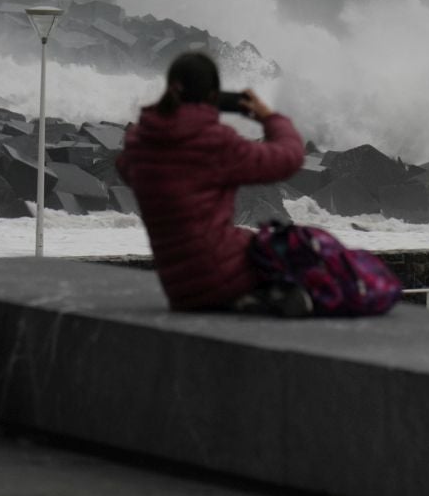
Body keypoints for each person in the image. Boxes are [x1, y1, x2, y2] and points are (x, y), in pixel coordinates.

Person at [116, 51, 309, 313]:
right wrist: (269, 117)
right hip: (223, 277)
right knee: (308, 247)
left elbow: (125, 167)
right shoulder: (215, 143)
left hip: (179, 288)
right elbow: (289, 158)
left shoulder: (140, 143)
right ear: (213, 97)